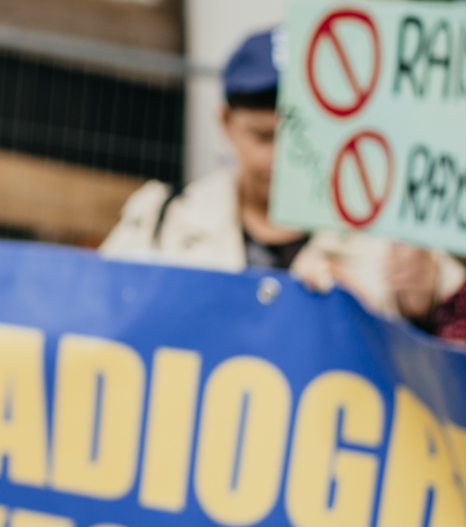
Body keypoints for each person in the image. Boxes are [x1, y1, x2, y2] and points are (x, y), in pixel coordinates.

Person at [101, 29, 462, 316]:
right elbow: (98, 314)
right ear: (225, 123)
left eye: (302, 139)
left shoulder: (394, 242)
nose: (282, 160)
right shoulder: (160, 220)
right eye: (264, 137)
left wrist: (423, 304)